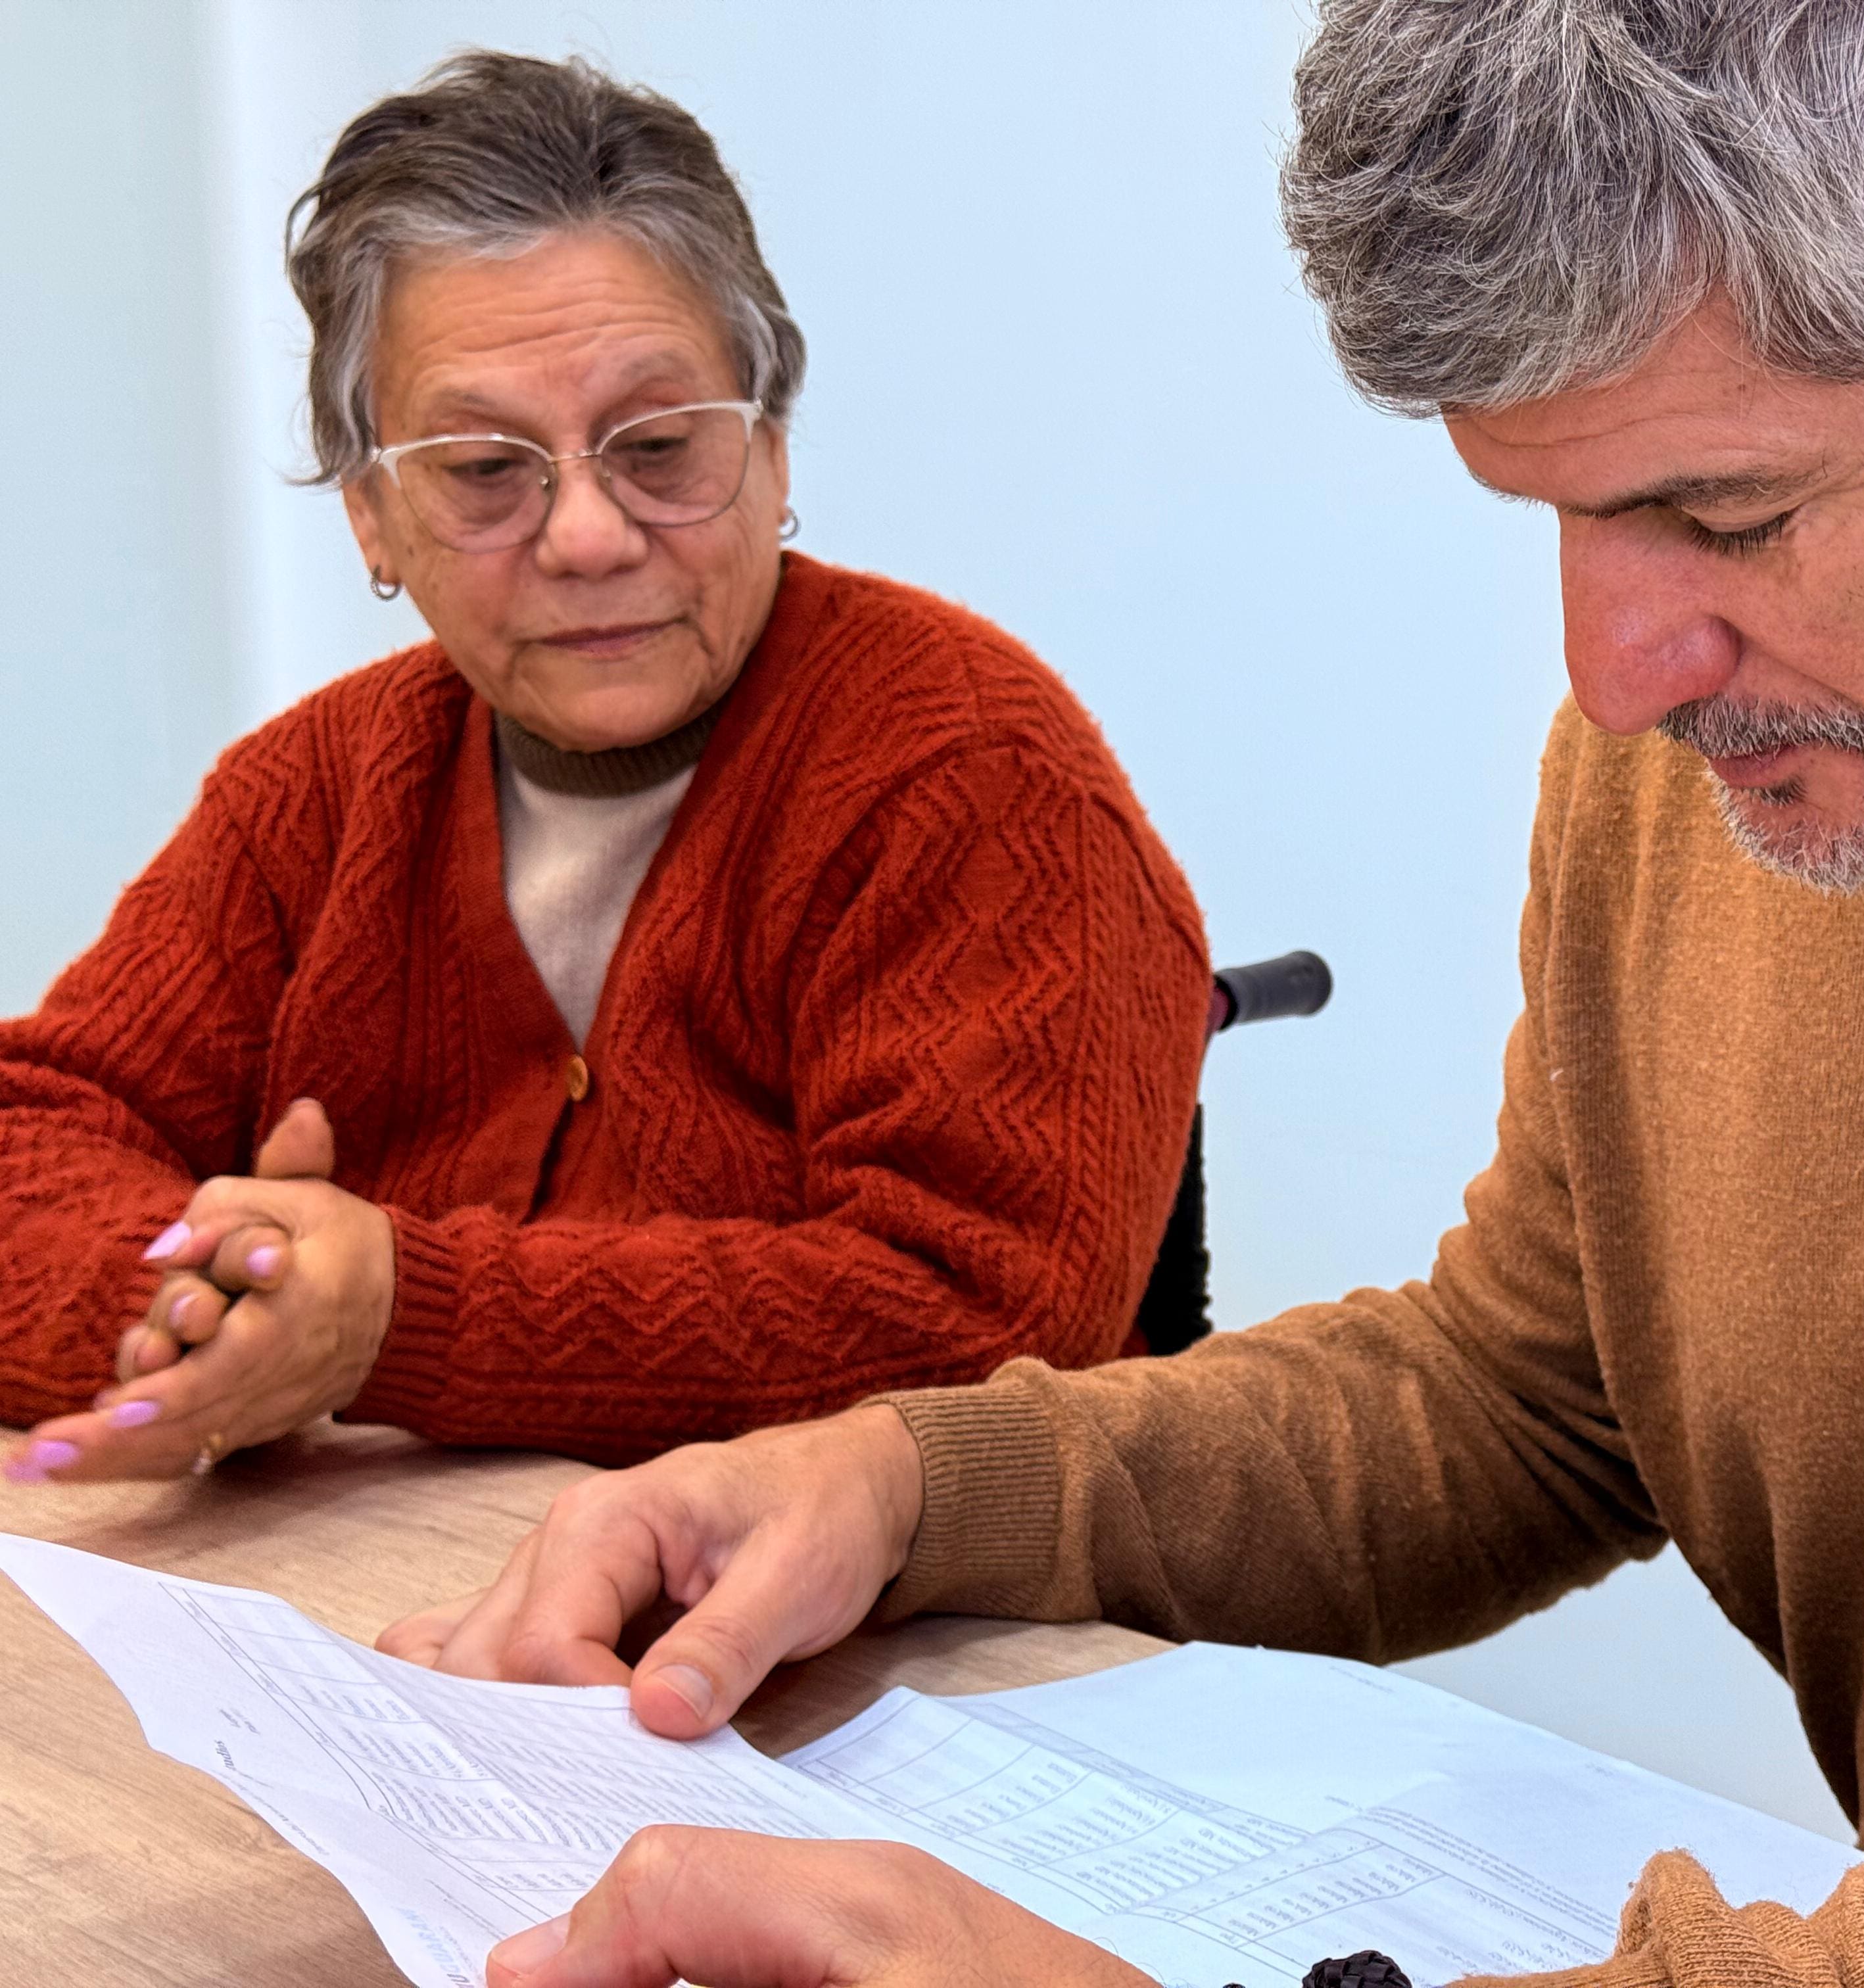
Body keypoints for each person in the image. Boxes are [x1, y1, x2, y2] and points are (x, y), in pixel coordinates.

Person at [399, 4, 1864, 1984]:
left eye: (1734, 514)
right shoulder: (1735, 742)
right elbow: (1542, 1386)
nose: (1612, 674)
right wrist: (913, 1486)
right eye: (1554, 515)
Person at [0, 53, 1207, 1482]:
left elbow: (993, 1324)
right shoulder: (313, 794)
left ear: (768, 448)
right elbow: (38, 1136)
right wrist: (210, 1305)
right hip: (381, 1626)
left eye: (656, 447)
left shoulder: (971, 776)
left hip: (876, 1662)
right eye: (484, 470)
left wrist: (398, 1313)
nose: (586, 536)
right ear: (373, 517)